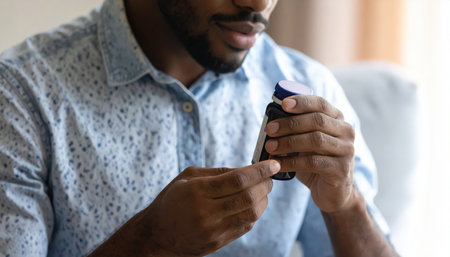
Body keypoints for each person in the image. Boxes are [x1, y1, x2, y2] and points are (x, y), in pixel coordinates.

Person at [0, 0, 399, 256]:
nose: (259, 3)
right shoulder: (21, 95)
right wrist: (150, 244)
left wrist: (347, 206)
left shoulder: (311, 88)